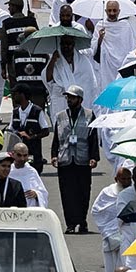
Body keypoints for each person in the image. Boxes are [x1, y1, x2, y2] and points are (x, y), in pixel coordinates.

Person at [52, 84, 99, 234]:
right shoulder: (60, 116)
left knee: (83, 192)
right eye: (68, 97)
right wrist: (53, 155)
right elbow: (56, 138)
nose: (69, 100)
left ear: (80, 99)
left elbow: (93, 138)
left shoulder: (89, 115)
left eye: (72, 97)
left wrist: (94, 157)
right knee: (67, 193)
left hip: (82, 159)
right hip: (65, 159)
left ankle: (82, 221)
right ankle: (71, 224)